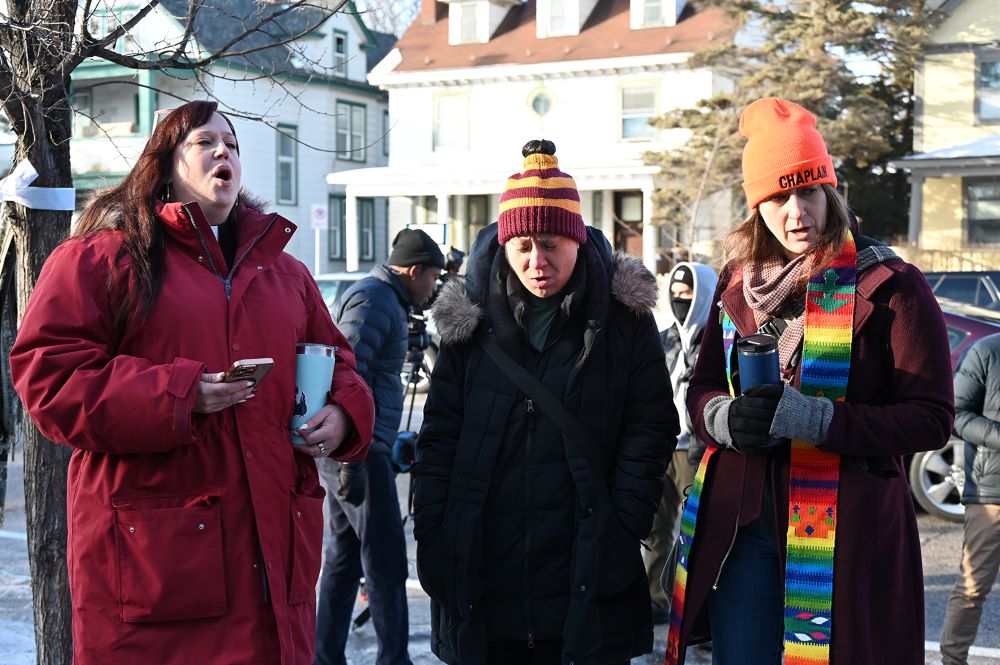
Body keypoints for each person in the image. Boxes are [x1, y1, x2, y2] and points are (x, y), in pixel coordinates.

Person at [8, 100, 375, 665]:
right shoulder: (104, 259)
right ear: (166, 163)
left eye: (231, 142)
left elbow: (341, 365)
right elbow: (49, 378)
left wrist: (344, 412)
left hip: (276, 574)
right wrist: (180, 394)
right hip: (160, 580)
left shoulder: (286, 274)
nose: (224, 150)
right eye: (206, 141)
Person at [664, 98, 955, 665]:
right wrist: (724, 417)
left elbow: (931, 418)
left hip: (845, 536)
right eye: (777, 196)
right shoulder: (736, 284)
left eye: (808, 191)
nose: (796, 211)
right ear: (756, 208)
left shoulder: (890, 284)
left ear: (831, 193)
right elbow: (699, 392)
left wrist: (820, 420)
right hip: (741, 529)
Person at [413, 139, 678, 664]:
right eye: (524, 245)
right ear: (506, 245)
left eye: (553, 243)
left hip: (588, 567)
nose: (538, 261)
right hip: (484, 570)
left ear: (577, 240)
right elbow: (439, 434)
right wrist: (435, 530)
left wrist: (623, 522)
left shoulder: (623, 321)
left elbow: (651, 426)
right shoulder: (470, 320)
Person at [315, 228, 444, 665]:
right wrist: (353, 454)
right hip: (359, 452)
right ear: (413, 271)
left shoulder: (387, 300)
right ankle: (394, 659)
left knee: (345, 560)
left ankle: (325, 655)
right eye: (433, 278)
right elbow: (346, 370)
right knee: (386, 562)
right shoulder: (374, 300)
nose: (434, 288)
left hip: (356, 449)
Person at [645, 262, 718, 624]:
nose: (679, 300)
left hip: (697, 451)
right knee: (657, 527)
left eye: (687, 295)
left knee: (697, 532)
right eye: (674, 294)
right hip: (663, 448)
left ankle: (699, 604)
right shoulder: (663, 338)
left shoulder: (716, 342)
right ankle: (656, 599)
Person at [940, 332, 1000, 665]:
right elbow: (954, 414)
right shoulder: (987, 350)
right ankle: (952, 661)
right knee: (973, 588)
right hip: (992, 493)